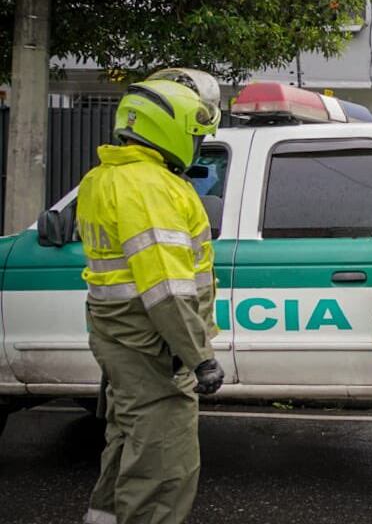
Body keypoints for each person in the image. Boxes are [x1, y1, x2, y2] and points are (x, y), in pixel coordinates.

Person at [79, 68, 225, 524]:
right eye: (196, 135)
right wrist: (200, 357)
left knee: (126, 443)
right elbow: (167, 290)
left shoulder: (102, 178)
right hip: (156, 350)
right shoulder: (150, 188)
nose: (198, 145)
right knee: (163, 467)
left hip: (120, 341)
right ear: (171, 128)